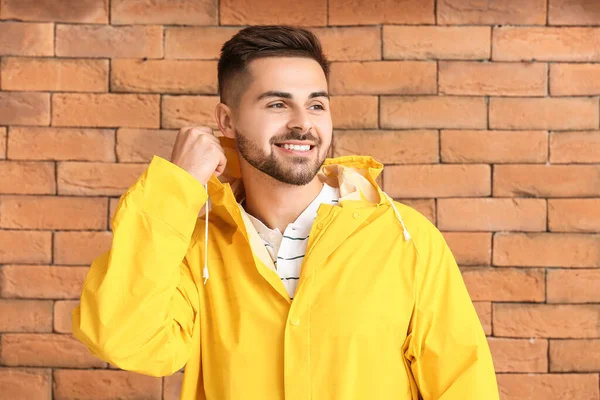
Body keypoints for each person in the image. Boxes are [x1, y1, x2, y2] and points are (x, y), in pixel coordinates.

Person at [72, 25, 499, 399]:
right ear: (227, 120)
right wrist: (175, 188)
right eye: (277, 104)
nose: (302, 123)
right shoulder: (193, 248)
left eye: (316, 104)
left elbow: (463, 385)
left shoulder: (406, 239)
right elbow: (123, 338)